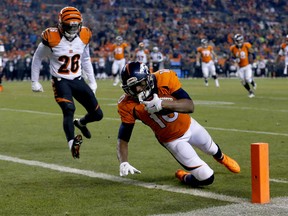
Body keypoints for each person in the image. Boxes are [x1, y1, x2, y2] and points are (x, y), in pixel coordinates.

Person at [116, 61, 240, 187]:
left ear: (147, 78)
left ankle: (222, 158)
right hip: (172, 140)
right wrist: (123, 162)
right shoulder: (127, 104)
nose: (137, 89)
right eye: (132, 87)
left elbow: (189, 106)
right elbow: (123, 138)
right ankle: (184, 176)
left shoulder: (164, 78)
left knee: (211, 148)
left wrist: (162, 104)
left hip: (189, 125)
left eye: (140, 84)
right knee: (206, 177)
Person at [31, 6, 103, 159]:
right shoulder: (51, 36)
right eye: (69, 25)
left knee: (97, 114)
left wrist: (92, 81)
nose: (72, 29)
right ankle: (72, 144)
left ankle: (81, 123)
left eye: (75, 26)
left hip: (77, 79)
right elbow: (37, 58)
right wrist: (34, 81)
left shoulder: (85, 34)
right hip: (60, 80)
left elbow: (85, 59)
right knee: (69, 109)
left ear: (80, 24)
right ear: (60, 24)